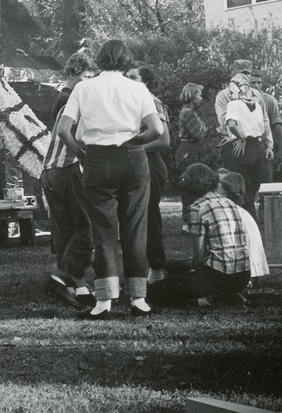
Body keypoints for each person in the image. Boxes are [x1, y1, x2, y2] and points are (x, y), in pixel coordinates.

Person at [58, 40, 163, 319]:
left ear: (100, 60)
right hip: (133, 159)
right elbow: (156, 129)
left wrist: (81, 154)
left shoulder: (83, 87)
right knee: (135, 229)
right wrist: (134, 143)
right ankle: (139, 300)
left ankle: (103, 302)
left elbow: (63, 130)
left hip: (97, 160)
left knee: (103, 231)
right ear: (126, 60)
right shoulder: (138, 88)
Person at [148, 164, 250, 307]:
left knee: (152, 292)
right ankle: (227, 294)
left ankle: (205, 300)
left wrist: (193, 275)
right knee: (171, 265)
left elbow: (198, 258)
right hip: (242, 275)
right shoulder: (229, 202)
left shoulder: (196, 208)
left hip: (218, 276)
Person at [41, 51, 96, 309]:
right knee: (87, 227)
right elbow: (71, 133)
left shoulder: (62, 98)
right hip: (67, 167)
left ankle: (78, 288)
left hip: (49, 169)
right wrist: (83, 156)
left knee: (67, 231)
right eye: (86, 76)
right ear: (74, 73)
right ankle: (59, 277)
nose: (89, 81)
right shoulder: (72, 98)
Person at [125, 63, 170, 284]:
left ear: (147, 82)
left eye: (133, 77)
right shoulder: (130, 103)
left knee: (150, 216)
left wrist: (131, 148)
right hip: (134, 165)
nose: (128, 81)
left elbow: (163, 139)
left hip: (151, 165)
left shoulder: (152, 102)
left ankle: (157, 268)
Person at [221, 73, 273, 221]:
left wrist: (240, 137)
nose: (231, 93)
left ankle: (244, 222)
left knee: (240, 188)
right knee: (253, 189)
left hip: (244, 149)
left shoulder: (234, 104)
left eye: (232, 90)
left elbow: (231, 124)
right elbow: (262, 126)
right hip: (258, 147)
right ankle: (256, 221)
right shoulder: (256, 104)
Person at [216, 169, 269, 284]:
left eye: (218, 183)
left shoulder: (232, 213)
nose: (214, 186)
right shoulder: (234, 210)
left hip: (245, 272)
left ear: (229, 187)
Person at [176, 83, 207, 231]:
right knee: (190, 185)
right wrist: (201, 128)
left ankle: (191, 221)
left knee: (193, 184)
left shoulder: (190, 112)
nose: (201, 98)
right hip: (189, 150)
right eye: (199, 95)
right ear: (191, 96)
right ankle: (188, 223)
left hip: (191, 149)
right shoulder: (188, 113)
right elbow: (199, 133)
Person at [249, 70, 282, 182]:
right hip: (248, 146)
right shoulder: (241, 99)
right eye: (253, 83)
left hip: (265, 146)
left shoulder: (269, 100)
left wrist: (281, 150)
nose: (256, 85)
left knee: (266, 180)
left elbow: (277, 124)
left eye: (259, 82)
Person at [51, 51, 95, 121]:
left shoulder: (65, 96)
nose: (90, 81)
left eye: (91, 77)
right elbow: (66, 130)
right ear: (72, 75)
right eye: (87, 77)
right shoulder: (67, 99)